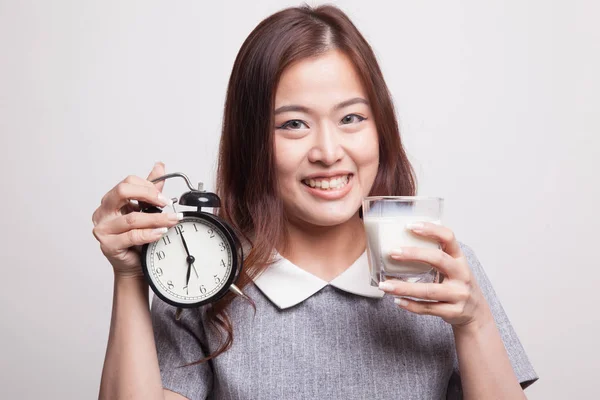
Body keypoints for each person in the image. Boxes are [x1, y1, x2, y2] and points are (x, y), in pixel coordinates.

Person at [92, 4, 538, 399]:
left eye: (351, 118)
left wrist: (474, 321)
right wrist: (131, 275)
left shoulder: (442, 271)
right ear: (253, 143)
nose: (327, 151)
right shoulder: (199, 272)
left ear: (380, 128)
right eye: (293, 125)